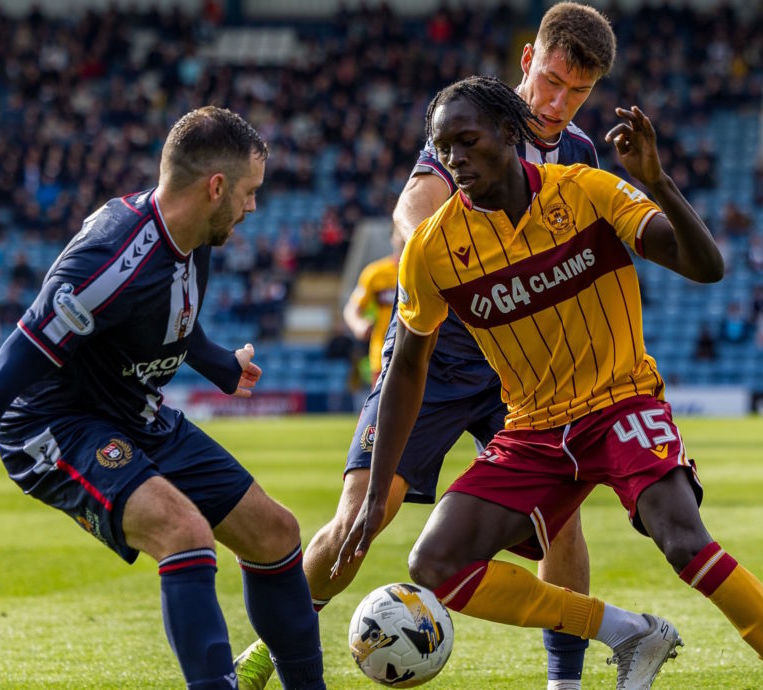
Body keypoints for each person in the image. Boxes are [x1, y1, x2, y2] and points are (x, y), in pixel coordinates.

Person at [336, 75, 763, 690]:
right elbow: (408, 368)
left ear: (510, 132)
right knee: (435, 564)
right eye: (444, 148)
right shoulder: (431, 248)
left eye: (467, 141)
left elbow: (706, 267)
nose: (455, 159)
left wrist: (657, 182)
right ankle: (627, 631)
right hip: (534, 429)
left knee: (683, 541)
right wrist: (377, 488)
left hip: (620, 401)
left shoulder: (585, 191)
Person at [0, 106, 327, 690]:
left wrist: (220, 365)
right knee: (183, 532)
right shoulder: (107, 264)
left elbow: (172, 318)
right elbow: (4, 374)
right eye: (250, 192)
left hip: (134, 410)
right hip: (54, 425)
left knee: (275, 532)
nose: (253, 206)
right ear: (216, 188)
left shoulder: (196, 232)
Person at [235, 5, 615, 689]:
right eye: (552, 81)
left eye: (578, 92)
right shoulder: (480, 124)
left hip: (522, 371)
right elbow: (413, 207)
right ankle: (264, 655)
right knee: (363, 515)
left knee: (561, 525)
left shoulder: (582, 153)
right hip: (435, 357)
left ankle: (566, 683)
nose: (558, 103)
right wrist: (451, 264)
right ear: (528, 60)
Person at [341, 228, 403, 385]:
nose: (404, 235)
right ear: (392, 237)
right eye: (399, 230)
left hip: (422, 355)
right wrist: (358, 324)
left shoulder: (427, 270)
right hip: (383, 354)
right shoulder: (375, 273)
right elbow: (352, 309)